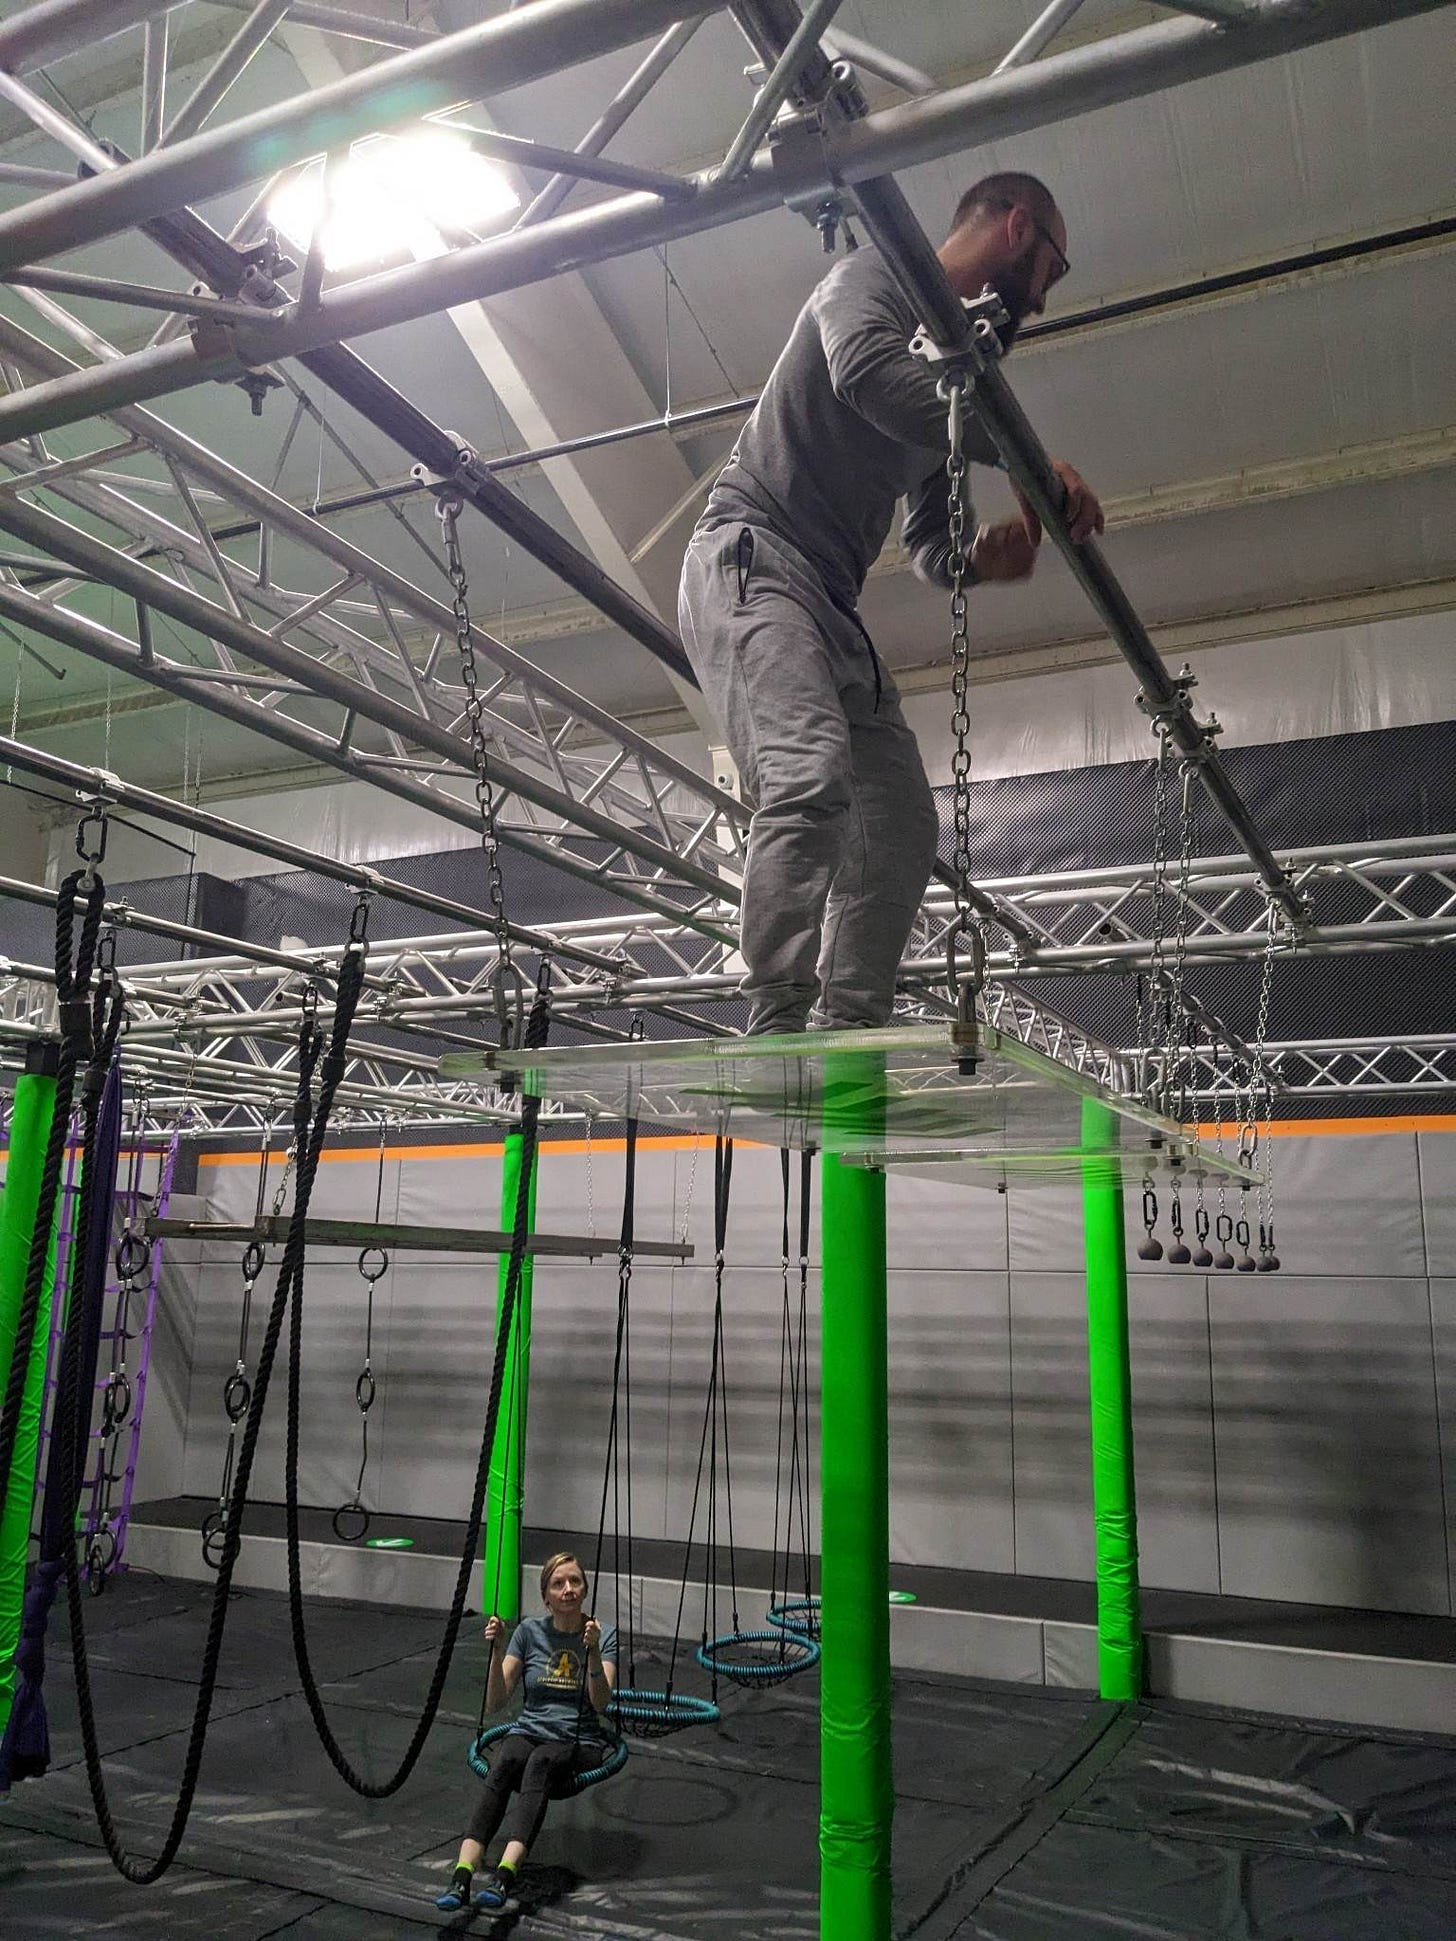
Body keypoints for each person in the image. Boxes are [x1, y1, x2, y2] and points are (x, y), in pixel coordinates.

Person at [678, 171, 1105, 1035]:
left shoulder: (951, 385)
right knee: (807, 776)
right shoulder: (870, 280)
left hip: (829, 602)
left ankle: (849, 1029)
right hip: (752, 557)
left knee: (901, 823)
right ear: (1018, 229)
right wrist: (1024, 458)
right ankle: (776, 1019)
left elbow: (933, 551)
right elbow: (865, 373)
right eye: (1052, 268)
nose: (1045, 299)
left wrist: (993, 556)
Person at [433, 1552, 618, 1913]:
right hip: (531, 1729)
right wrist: (498, 1649)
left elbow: (600, 1703)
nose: (568, 1590)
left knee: (541, 1761)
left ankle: (505, 1873)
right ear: (546, 1595)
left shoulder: (602, 1634)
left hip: (576, 1740)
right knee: (508, 1758)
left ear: (585, 1588)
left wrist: (592, 1651)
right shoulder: (529, 1632)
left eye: (575, 1582)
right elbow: (495, 1703)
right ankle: (462, 1874)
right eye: (558, 1584)